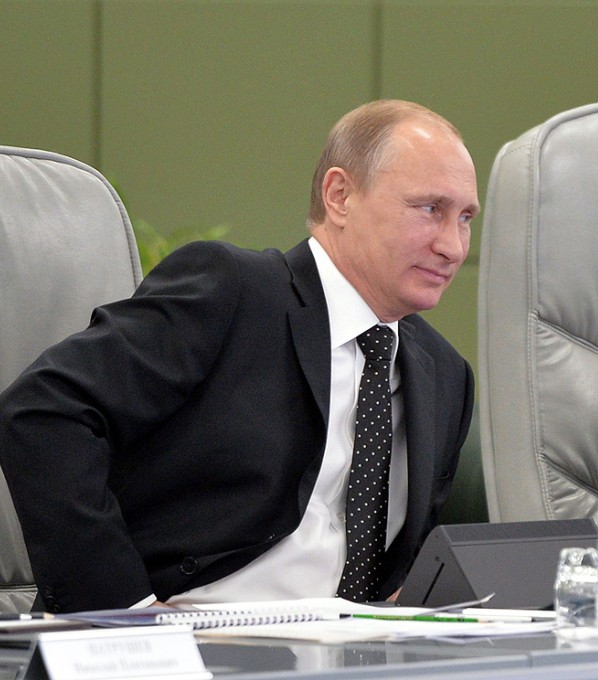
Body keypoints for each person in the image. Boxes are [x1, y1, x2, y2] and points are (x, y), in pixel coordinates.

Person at [0, 99, 479, 613]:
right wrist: (128, 614)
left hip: (353, 646)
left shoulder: (445, 375)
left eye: (466, 218)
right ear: (340, 196)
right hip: (182, 636)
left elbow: (399, 574)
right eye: (430, 209)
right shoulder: (232, 292)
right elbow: (42, 412)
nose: (453, 246)